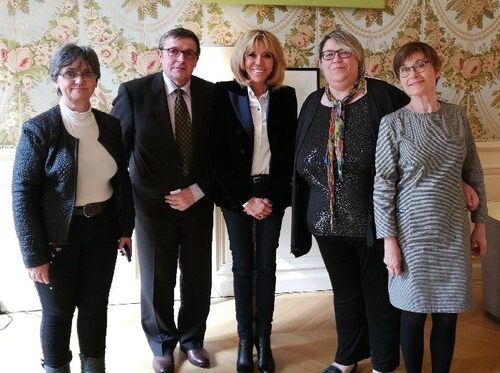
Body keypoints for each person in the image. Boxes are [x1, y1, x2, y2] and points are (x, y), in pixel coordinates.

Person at [290, 30, 410, 373]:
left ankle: (384, 363)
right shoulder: (313, 102)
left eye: (344, 54)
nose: (336, 61)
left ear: (359, 60)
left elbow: (419, 135)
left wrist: (459, 177)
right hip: (325, 223)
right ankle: (348, 356)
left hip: (373, 221)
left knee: (378, 295)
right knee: (344, 293)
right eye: (328, 55)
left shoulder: (383, 96)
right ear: (320, 63)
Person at [11, 44, 134, 373]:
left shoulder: (110, 126)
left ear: (96, 79)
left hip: (102, 231)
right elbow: (22, 193)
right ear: (56, 79)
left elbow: (121, 180)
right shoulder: (39, 129)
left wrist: (125, 229)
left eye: (87, 73)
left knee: (95, 307)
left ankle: (94, 367)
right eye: (70, 73)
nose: (79, 80)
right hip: (55, 238)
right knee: (58, 312)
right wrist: (33, 253)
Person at [373, 41, 488, 373]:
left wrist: (479, 223)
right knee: (411, 317)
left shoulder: (456, 117)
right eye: (405, 70)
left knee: (447, 318)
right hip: (411, 236)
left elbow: (473, 172)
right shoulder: (392, 123)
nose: (413, 74)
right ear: (400, 78)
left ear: (437, 70)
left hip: (452, 232)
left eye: (420, 65)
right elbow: (382, 186)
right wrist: (389, 242)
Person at [110, 28, 214, 373]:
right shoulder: (134, 93)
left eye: (188, 53)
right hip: (151, 208)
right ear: (161, 54)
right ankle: (161, 344)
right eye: (173, 51)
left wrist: (196, 192)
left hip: (198, 204)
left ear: (196, 58)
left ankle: (193, 340)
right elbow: (116, 158)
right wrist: (122, 214)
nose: (180, 59)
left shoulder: (211, 95)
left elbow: (222, 157)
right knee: (157, 280)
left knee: (198, 277)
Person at [209, 29, 297, 373]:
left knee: (267, 267)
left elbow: (288, 152)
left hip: (272, 194)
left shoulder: (286, 96)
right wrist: (246, 199)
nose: (259, 62)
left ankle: (265, 340)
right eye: (251, 55)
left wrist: (269, 197)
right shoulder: (223, 93)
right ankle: (245, 341)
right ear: (242, 60)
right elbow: (216, 155)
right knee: (243, 267)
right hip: (236, 198)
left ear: (275, 61)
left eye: (266, 56)